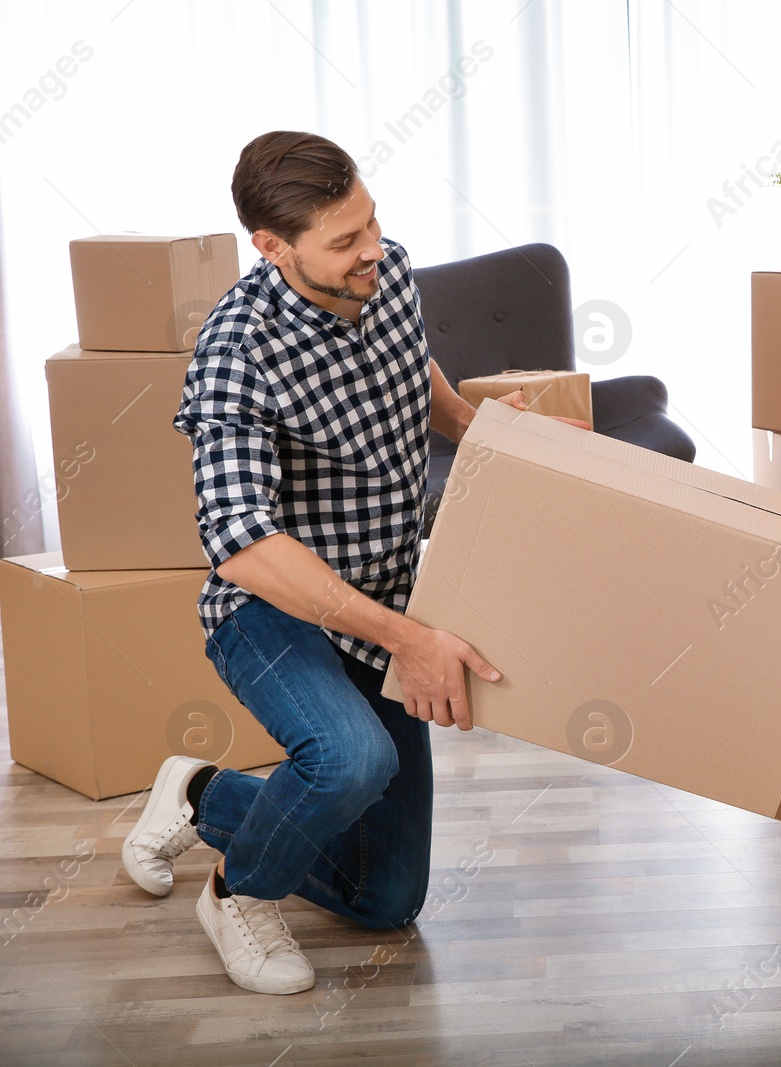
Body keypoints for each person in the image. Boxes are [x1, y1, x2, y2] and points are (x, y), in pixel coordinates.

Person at [120, 131, 576, 994]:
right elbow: (243, 543)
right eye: (344, 241)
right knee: (353, 760)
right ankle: (236, 893)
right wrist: (410, 637)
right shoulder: (235, 354)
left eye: (372, 223)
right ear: (272, 247)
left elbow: (421, 383)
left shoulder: (387, 271)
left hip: (384, 590)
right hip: (274, 610)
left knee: (385, 896)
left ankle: (202, 797)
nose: (373, 249)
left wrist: (496, 433)